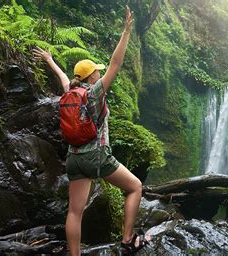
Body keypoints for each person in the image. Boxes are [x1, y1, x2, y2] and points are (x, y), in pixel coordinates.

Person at [33, 6, 148, 256]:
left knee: (75, 211)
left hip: (74, 158)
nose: (100, 72)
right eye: (97, 70)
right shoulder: (95, 94)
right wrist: (126, 31)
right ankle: (127, 240)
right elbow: (116, 63)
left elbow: (64, 77)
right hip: (96, 154)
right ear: (92, 77)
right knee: (135, 187)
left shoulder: (70, 92)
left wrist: (49, 60)